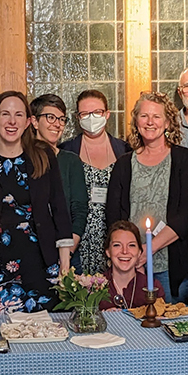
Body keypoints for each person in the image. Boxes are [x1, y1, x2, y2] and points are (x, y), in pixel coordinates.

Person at [0, 91, 73, 312]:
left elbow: (59, 208)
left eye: (18, 115)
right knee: (4, 330)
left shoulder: (43, 154)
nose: (12, 121)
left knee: (45, 329)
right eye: (5, 114)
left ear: (28, 122)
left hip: (42, 260)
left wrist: (65, 264)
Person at [106, 91, 188, 304]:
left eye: (156, 116)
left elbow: (185, 215)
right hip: (128, 265)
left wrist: (149, 249)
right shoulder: (123, 164)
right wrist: (131, 253)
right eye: (144, 116)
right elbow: (113, 218)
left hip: (169, 266)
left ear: (167, 123)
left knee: (168, 325)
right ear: (136, 121)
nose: (150, 122)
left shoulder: (184, 159)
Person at [60, 89, 130, 275]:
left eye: (97, 112)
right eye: (85, 114)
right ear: (77, 117)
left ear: (107, 114)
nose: (91, 118)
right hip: (78, 239)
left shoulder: (125, 151)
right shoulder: (66, 151)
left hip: (114, 238)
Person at [30, 94, 89, 261]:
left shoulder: (70, 161)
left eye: (62, 119)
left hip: (67, 252)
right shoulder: (23, 159)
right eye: (50, 117)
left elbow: (79, 208)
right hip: (31, 253)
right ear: (34, 122)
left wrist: (67, 251)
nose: (57, 124)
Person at [99, 220, 164, 311]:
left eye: (131, 245)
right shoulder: (95, 286)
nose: (124, 251)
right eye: (117, 245)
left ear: (139, 252)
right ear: (108, 252)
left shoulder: (153, 286)